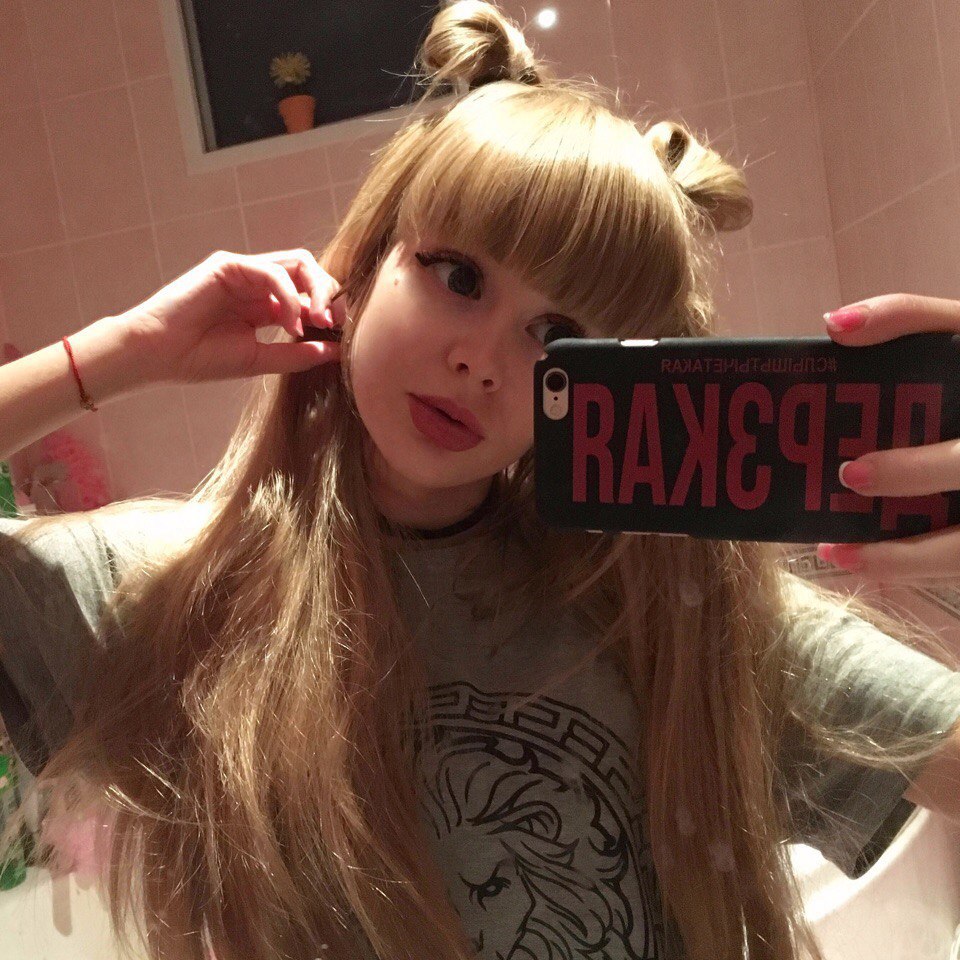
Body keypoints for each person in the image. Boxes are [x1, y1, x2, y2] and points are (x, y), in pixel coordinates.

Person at [0, 2, 959, 958]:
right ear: (366, 265)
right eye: (458, 276)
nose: (485, 362)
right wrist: (118, 353)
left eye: (559, 335)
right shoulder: (172, 593)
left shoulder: (680, 619)